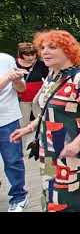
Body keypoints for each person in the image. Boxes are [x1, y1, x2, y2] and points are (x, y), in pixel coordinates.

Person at [10, 30, 80, 212]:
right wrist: (29, 128)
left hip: (72, 150)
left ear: (68, 50)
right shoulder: (52, 77)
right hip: (49, 150)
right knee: (53, 196)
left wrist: (76, 144)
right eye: (43, 47)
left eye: (52, 47)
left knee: (78, 198)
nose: (44, 51)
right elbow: (47, 112)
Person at [0, 53, 28, 212]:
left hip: (8, 120)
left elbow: (21, 88)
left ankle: (19, 196)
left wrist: (16, 80)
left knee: (13, 161)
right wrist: (8, 78)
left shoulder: (6, 59)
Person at [15, 42, 49, 130]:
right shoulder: (14, 64)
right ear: (21, 54)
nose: (31, 57)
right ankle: (23, 142)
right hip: (22, 99)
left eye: (33, 54)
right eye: (27, 55)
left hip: (38, 99)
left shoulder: (40, 64)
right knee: (23, 123)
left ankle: (40, 140)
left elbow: (48, 79)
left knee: (41, 121)